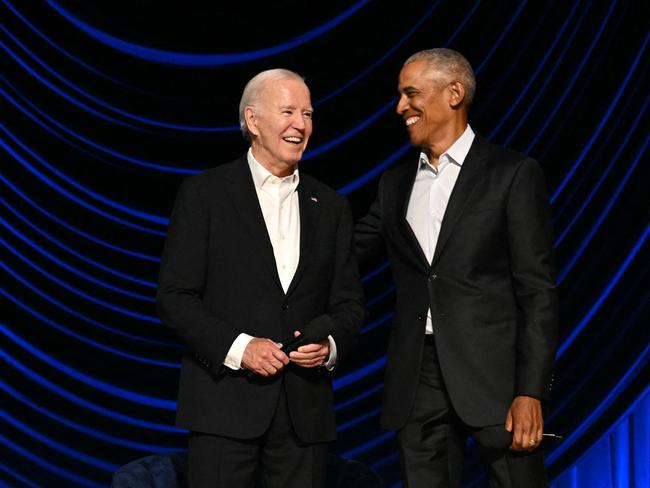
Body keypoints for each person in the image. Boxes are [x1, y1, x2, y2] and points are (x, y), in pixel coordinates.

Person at [355, 48, 559, 487]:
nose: (400, 108)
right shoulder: (394, 185)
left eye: (411, 94)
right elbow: (346, 254)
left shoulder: (512, 173)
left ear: (454, 93)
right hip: (418, 378)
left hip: (497, 379)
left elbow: (537, 290)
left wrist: (530, 390)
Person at [157, 68, 364, 487]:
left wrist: (329, 346)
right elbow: (175, 297)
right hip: (224, 407)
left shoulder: (331, 205)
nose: (301, 124)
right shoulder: (205, 195)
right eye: (288, 111)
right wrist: (241, 347)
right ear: (253, 121)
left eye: (307, 113)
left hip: (304, 417)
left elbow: (349, 303)